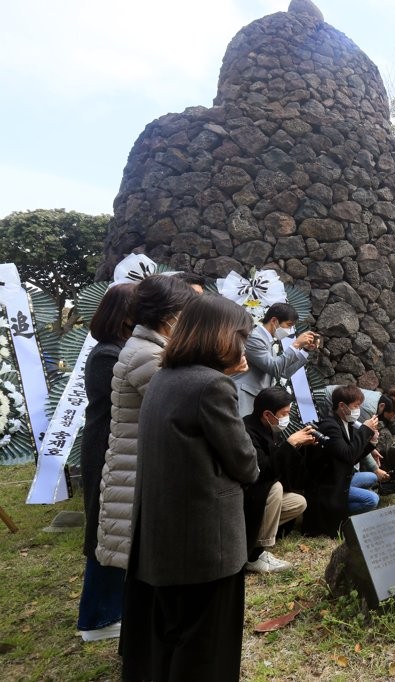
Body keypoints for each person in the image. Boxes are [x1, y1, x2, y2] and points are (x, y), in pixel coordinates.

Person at [120, 294, 260, 681]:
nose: (244, 347)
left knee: (174, 636)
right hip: (206, 543)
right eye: (241, 337)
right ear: (221, 336)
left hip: (164, 538)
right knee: (207, 647)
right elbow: (246, 463)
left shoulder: (165, 376)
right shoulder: (212, 385)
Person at [95, 275, 196, 573]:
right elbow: (183, 411)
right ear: (170, 315)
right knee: (140, 562)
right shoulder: (148, 355)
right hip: (137, 471)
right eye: (186, 313)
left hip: (136, 467)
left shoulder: (148, 348)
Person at [76, 283, 135, 642]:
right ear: (126, 314)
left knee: (114, 530)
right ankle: (96, 619)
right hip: (104, 450)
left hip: (117, 448)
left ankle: (110, 610)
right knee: (104, 531)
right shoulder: (107, 355)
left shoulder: (119, 350)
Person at [242, 387, 316, 574]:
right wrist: (290, 444)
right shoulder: (246, 431)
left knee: (298, 503)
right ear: (267, 414)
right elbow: (262, 471)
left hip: (261, 494)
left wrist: (299, 446)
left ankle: (253, 539)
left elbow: (283, 468)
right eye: (284, 413)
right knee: (274, 488)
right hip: (247, 495)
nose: (286, 418)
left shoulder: (269, 428)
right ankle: (254, 555)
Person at [302, 386, 380, 537]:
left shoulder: (345, 424)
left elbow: (351, 458)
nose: (358, 410)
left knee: (372, 476)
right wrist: (365, 430)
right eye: (356, 406)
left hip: (339, 475)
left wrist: (371, 442)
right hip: (328, 484)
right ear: (342, 406)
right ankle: (341, 513)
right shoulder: (330, 426)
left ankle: (346, 501)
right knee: (372, 499)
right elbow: (348, 455)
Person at [233, 302, 319, 417]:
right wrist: (296, 344)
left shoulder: (268, 341)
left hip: (257, 399)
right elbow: (274, 368)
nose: (290, 330)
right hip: (244, 396)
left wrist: (305, 350)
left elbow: (284, 372)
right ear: (274, 321)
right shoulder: (254, 337)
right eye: (289, 325)